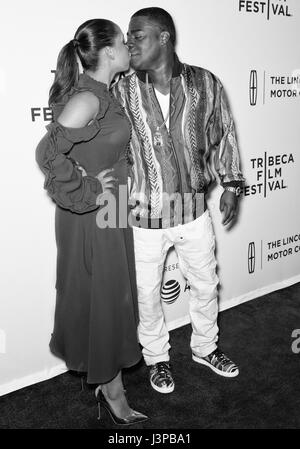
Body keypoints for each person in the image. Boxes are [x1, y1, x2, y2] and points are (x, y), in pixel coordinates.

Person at [113, 7, 245, 394]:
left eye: (138, 35)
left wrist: (232, 185)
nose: (129, 42)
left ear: (164, 37)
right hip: (141, 215)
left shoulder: (205, 83)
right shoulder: (120, 89)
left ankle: (206, 348)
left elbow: (225, 133)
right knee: (146, 295)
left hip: (192, 211)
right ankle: (156, 358)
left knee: (205, 284)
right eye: (128, 36)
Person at [35, 19, 148, 424]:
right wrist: (87, 192)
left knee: (114, 295)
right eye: (122, 42)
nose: (128, 47)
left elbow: (107, 147)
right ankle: (112, 389)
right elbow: (47, 152)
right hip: (92, 214)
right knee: (103, 297)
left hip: (111, 208)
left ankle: (107, 379)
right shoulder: (87, 98)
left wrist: (120, 179)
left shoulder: (106, 91)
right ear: (108, 53)